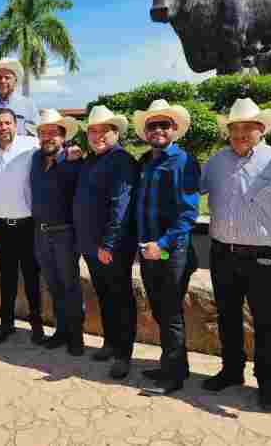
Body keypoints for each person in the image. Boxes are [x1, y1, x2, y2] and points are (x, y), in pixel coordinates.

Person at [200, 98, 271, 410]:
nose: (240, 134)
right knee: (227, 316)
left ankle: (266, 382)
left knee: (265, 322)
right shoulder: (217, 161)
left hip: (263, 257)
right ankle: (232, 371)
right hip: (222, 253)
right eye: (235, 128)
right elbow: (189, 186)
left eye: (248, 128)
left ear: (262, 129)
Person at [133, 100, 200, 395]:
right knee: (160, 309)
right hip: (149, 249)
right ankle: (172, 364)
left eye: (164, 125)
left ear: (174, 129)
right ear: (146, 131)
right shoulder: (146, 161)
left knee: (170, 311)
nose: (158, 130)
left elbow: (187, 214)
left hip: (170, 250)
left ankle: (174, 376)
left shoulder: (184, 162)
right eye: (152, 125)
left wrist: (159, 244)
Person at [73, 105, 138, 379]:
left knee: (121, 299)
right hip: (91, 246)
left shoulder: (122, 160)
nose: (98, 135)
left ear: (116, 133)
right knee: (105, 296)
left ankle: (124, 354)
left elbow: (120, 207)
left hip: (110, 248)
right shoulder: (91, 160)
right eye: (93, 130)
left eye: (104, 130)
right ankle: (111, 343)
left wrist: (108, 245)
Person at [0, 107, 45, 344]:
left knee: (31, 275)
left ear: (15, 125)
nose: (4, 127)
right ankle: (6, 324)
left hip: (27, 224)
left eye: (8, 123)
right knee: (6, 276)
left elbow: (52, 153)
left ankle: (36, 324)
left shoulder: (31, 145)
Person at [30, 109, 85, 356]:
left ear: (63, 137)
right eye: (43, 132)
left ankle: (76, 335)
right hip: (41, 233)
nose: (48, 137)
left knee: (70, 286)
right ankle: (61, 331)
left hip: (65, 234)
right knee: (53, 285)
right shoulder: (35, 160)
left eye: (53, 132)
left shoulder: (74, 159)